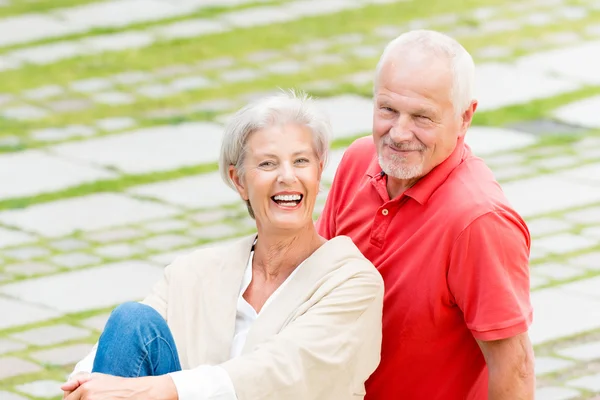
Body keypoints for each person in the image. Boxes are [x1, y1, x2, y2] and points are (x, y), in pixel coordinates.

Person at [62, 90, 384, 400]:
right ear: (239, 180)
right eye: (268, 164)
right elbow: (120, 348)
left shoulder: (353, 283)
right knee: (132, 320)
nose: (287, 176)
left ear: (319, 171)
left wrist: (159, 391)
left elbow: (280, 371)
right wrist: (89, 384)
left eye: (301, 161)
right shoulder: (193, 273)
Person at [316, 29, 535, 400]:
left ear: (465, 117)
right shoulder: (357, 160)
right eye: (388, 109)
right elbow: (315, 288)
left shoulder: (479, 221)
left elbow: (513, 368)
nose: (399, 134)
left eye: (422, 117)